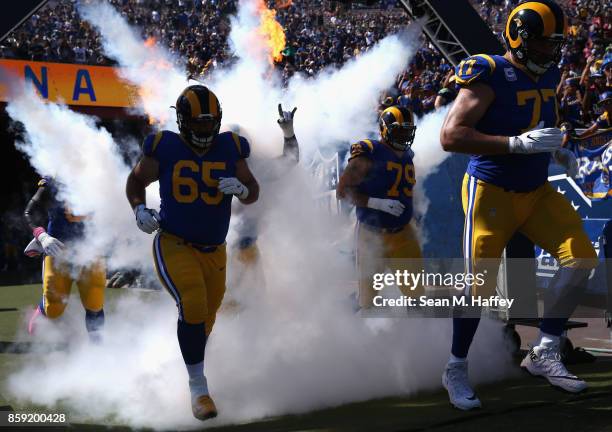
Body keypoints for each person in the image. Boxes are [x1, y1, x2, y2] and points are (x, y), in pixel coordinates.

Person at [439, 0, 598, 411]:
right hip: (491, 191)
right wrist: (512, 144)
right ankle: (455, 367)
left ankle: (545, 350)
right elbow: (451, 136)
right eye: (545, 44)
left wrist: (559, 142)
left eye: (556, 44)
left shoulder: (551, 72)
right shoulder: (488, 72)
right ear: (520, 38)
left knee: (581, 257)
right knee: (477, 286)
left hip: (536, 189)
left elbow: (546, 118)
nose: (553, 52)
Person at [125, 85, 259, 421]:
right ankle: (198, 388)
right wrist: (139, 209)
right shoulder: (165, 146)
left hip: (216, 250)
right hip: (174, 242)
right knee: (194, 302)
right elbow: (135, 181)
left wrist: (242, 189)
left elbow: (253, 191)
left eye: (209, 123)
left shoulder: (231, 147)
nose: (205, 131)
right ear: (183, 121)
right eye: (198, 124)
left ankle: (188, 364)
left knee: (205, 319)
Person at [336, 105, 422, 310]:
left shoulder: (407, 155)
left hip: (403, 234)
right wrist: (377, 203)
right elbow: (343, 191)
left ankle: (419, 337)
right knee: (368, 302)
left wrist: (414, 210)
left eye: (407, 131)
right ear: (384, 130)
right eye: (399, 131)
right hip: (371, 235)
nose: (404, 137)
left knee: (417, 298)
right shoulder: (370, 152)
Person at [23, 177, 106, 342]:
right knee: (53, 308)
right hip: (58, 251)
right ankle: (43, 308)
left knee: (94, 301)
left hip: (90, 249)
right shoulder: (53, 180)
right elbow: (29, 212)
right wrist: (42, 235)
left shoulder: (99, 172)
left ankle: (98, 350)